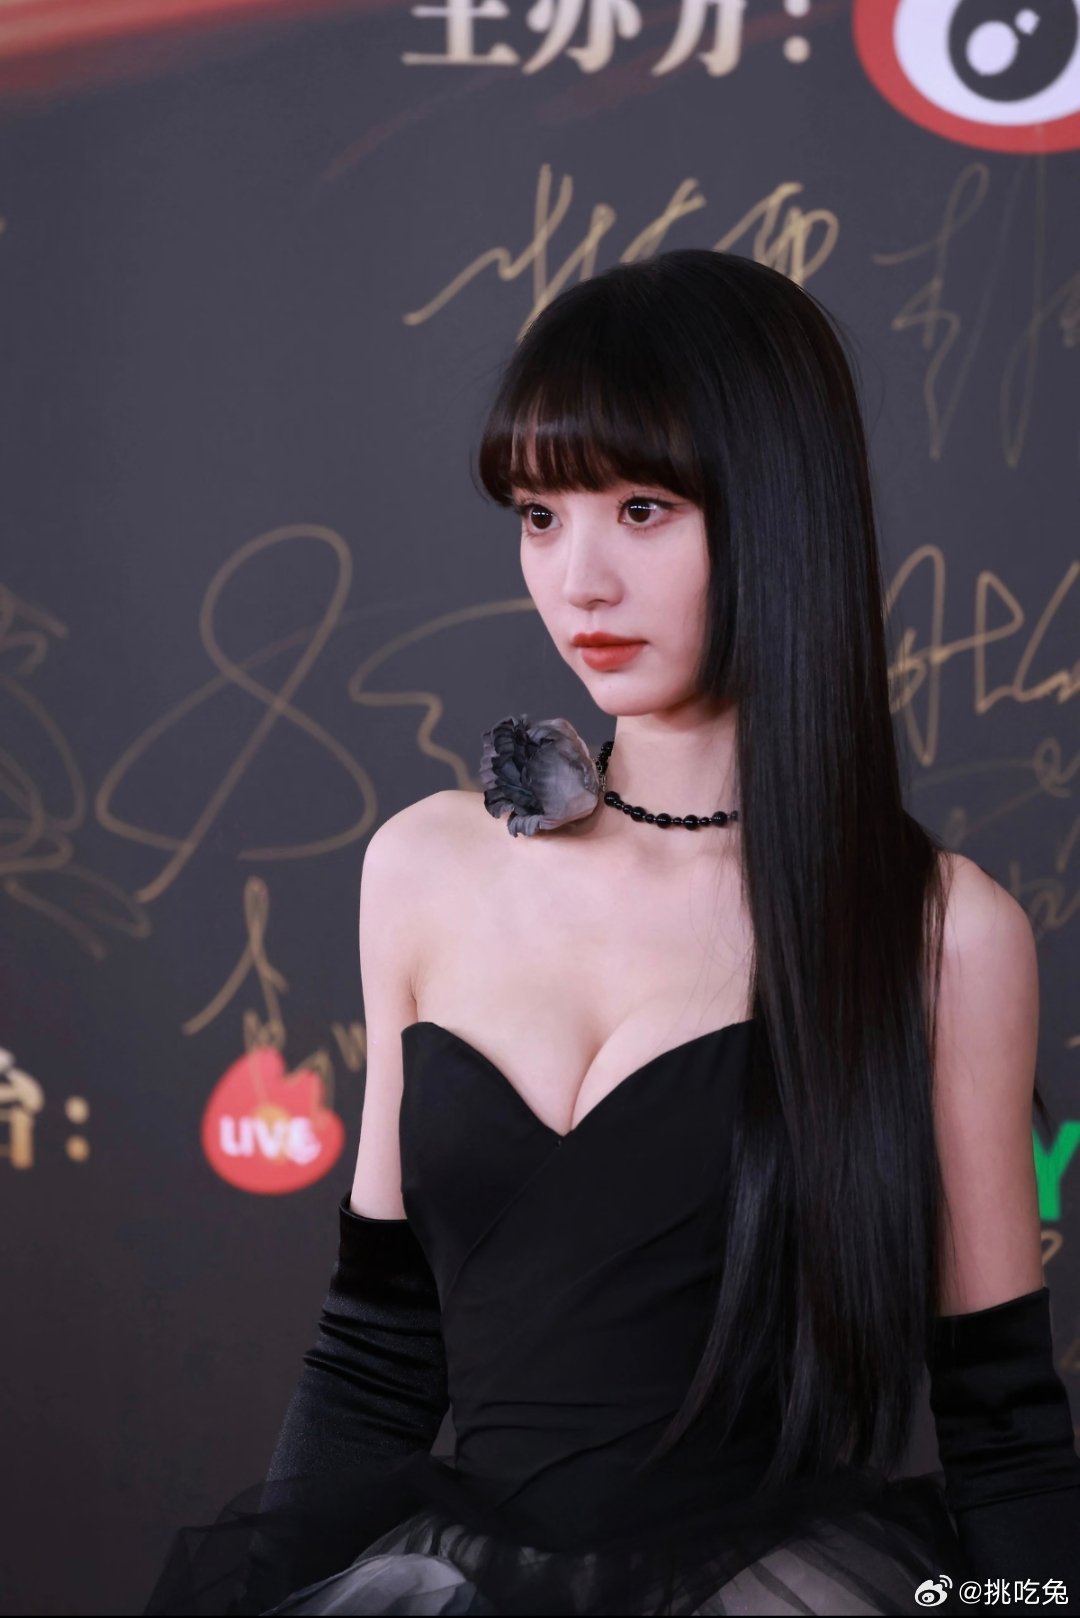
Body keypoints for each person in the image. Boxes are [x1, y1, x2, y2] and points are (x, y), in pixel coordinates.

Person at [145, 249, 1080, 1616]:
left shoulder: (941, 937)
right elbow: (375, 1349)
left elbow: (1001, 1421)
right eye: (539, 514)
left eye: (643, 508)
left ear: (779, 513)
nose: (577, 579)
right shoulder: (426, 866)